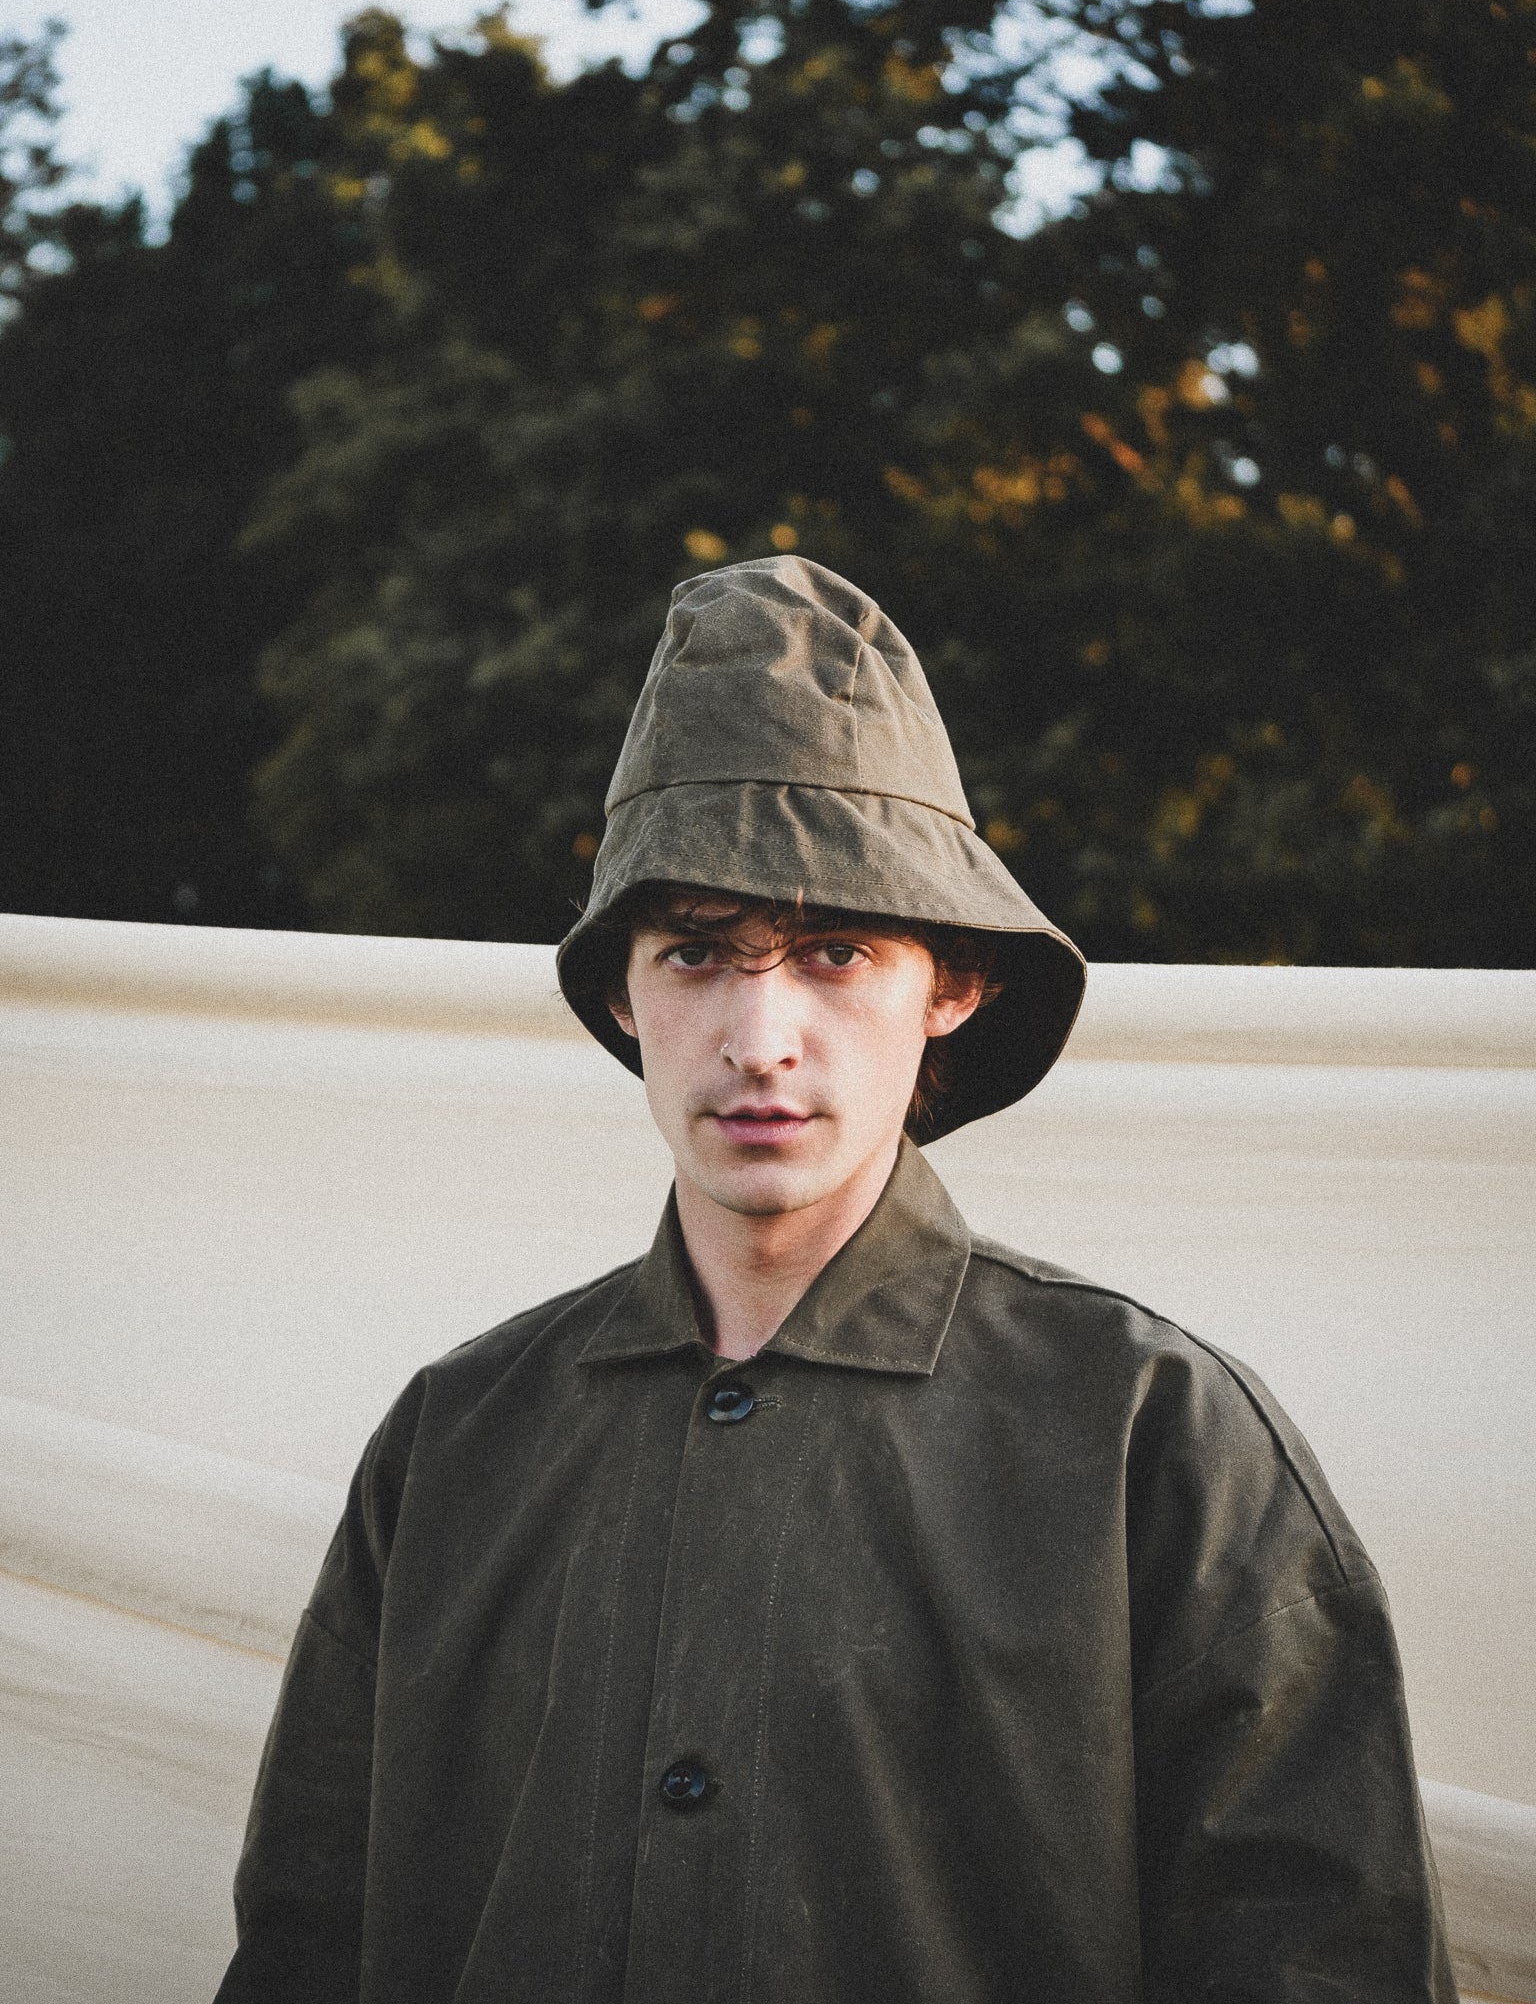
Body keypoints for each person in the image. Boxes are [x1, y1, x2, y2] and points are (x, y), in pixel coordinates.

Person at [215, 556, 1454, 2003]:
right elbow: (305, 1954)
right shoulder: (453, 1444)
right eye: (697, 953)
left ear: (953, 985)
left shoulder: (1156, 1439)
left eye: (834, 951)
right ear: (624, 990)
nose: (760, 1034)